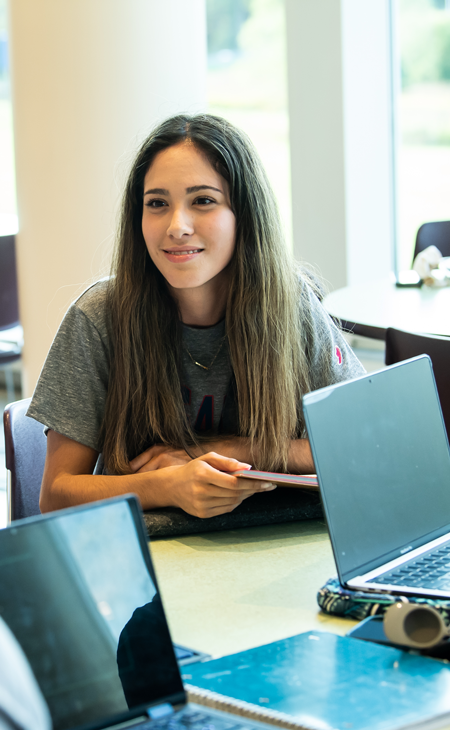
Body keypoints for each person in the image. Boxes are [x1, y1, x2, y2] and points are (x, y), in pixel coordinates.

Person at [28, 113, 364, 519]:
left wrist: (231, 448)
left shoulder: (290, 305)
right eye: (157, 204)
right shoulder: (98, 318)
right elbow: (56, 495)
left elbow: (363, 441)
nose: (177, 226)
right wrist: (168, 486)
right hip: (149, 559)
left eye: (203, 200)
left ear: (245, 214)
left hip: (271, 545)